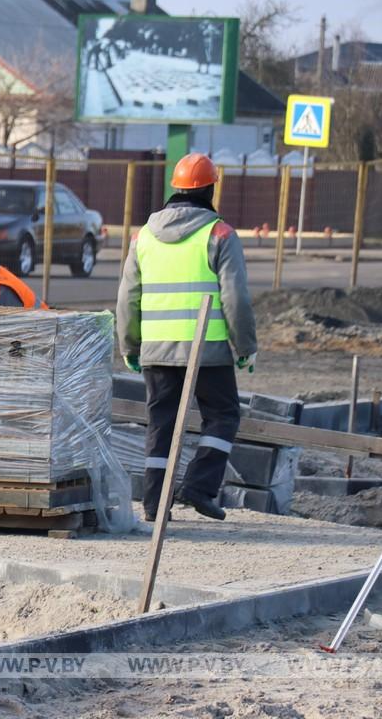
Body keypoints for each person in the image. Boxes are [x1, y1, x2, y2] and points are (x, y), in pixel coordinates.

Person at [116, 153, 257, 522]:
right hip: (207, 350)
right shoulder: (220, 234)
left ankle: (153, 504)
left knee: (161, 423)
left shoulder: (143, 236)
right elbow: (236, 298)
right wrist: (245, 348)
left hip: (157, 350)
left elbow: (128, 297)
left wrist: (130, 346)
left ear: (175, 188)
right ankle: (199, 486)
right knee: (223, 414)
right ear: (210, 189)